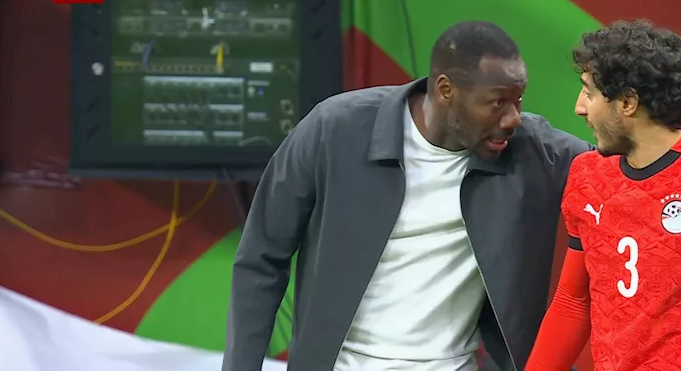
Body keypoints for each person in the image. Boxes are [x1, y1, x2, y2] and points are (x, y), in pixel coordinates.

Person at [223, 21, 591, 371]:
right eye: (497, 103)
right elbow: (261, 257)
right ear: (446, 91)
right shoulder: (334, 131)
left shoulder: (532, 150)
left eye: (518, 101)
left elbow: (618, 168)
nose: (513, 119)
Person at [525, 20, 681, 370]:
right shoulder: (587, 175)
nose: (580, 107)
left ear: (627, 102)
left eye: (589, 93)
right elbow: (573, 301)